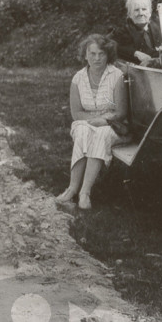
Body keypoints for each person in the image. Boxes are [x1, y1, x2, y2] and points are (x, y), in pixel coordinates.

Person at [56, 33, 127, 211]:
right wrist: (92, 120)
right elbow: (76, 113)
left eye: (101, 54)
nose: (96, 58)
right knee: (82, 131)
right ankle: (72, 188)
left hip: (111, 123)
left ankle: (84, 192)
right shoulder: (78, 78)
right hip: (84, 121)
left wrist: (103, 120)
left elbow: (121, 112)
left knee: (100, 134)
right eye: (92, 53)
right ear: (85, 55)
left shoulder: (116, 75)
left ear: (107, 55)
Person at [113, 0, 162, 66]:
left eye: (144, 9)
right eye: (136, 10)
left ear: (150, 12)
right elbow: (107, 44)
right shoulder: (123, 30)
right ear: (129, 14)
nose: (141, 13)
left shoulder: (159, 27)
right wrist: (135, 53)